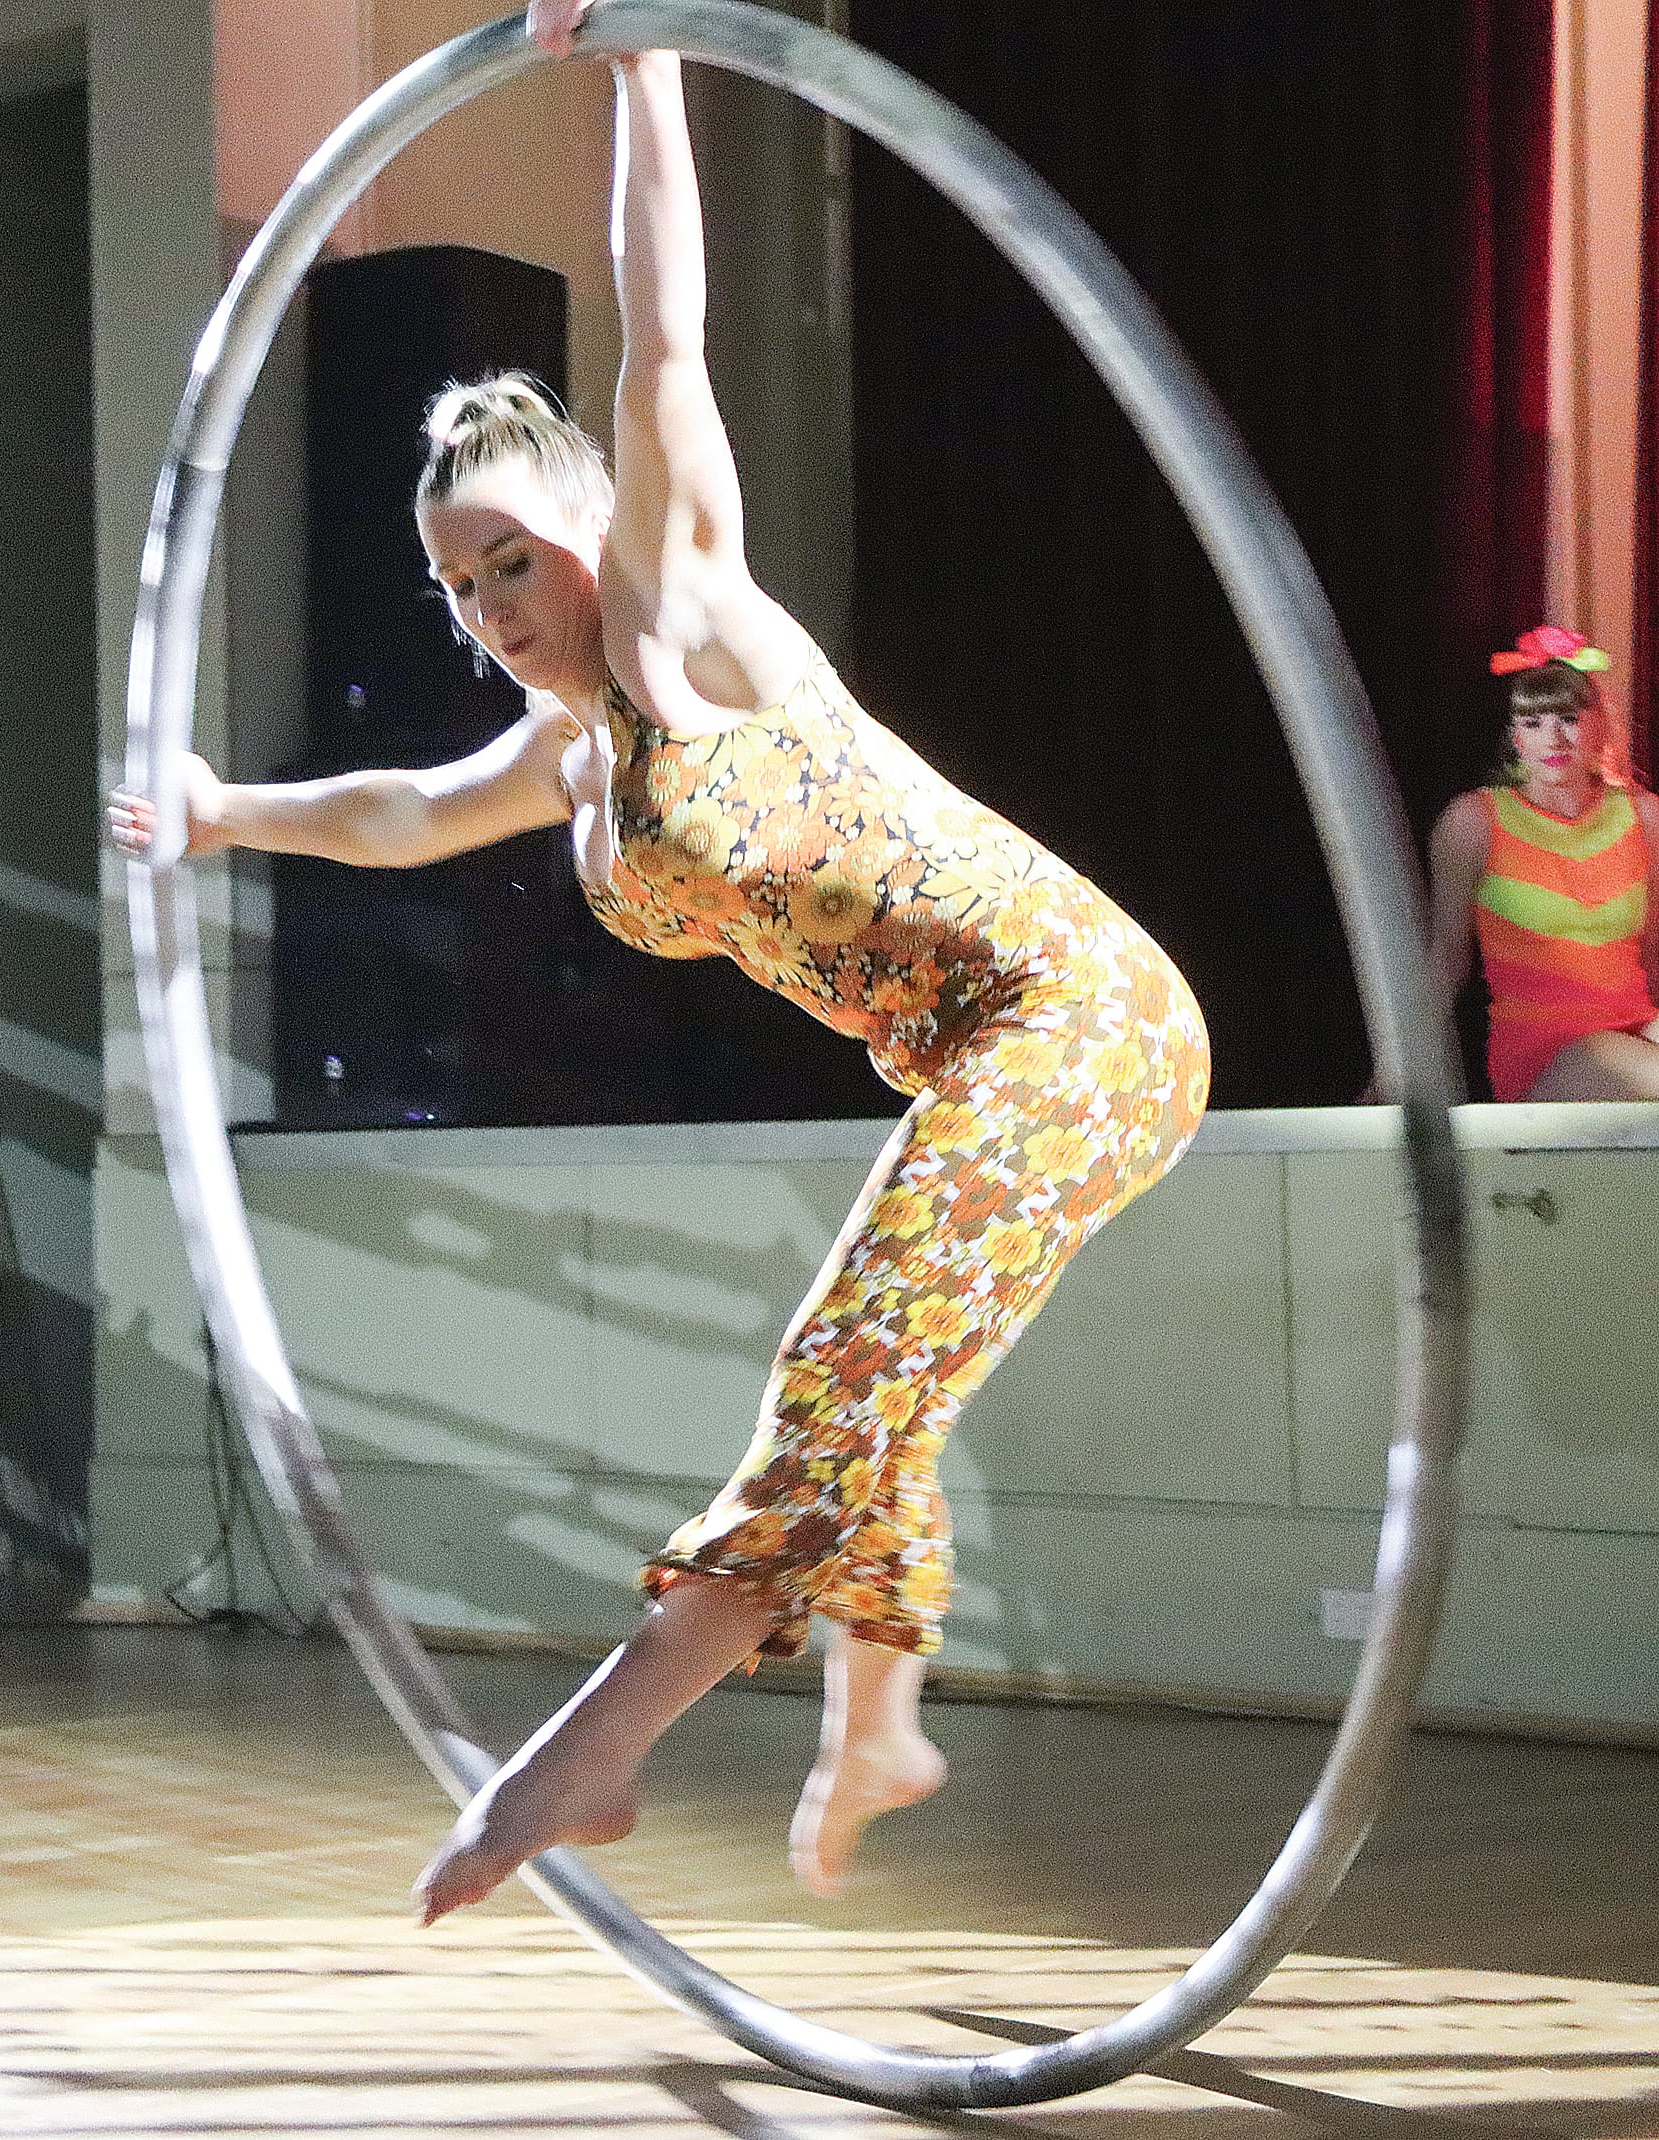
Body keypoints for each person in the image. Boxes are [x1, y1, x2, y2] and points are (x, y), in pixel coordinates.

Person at [110, 0, 1209, 1922]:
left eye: (511, 562)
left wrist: (638, 70)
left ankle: (602, 1740)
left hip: (1086, 1011)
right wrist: (215, 811)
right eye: (459, 591)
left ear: (591, 525)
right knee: (894, 1355)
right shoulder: (573, 761)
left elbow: (668, 331)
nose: (488, 613)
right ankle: (876, 1714)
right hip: (969, 1054)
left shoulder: (689, 617)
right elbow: (395, 815)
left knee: (845, 1346)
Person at [1425, 625, 1659, 1102]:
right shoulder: (1474, 821)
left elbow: (1653, 952)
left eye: (1568, 718)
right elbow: (1446, 961)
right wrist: (1391, 1078)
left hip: (1639, 1038)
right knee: (1602, 1054)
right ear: (1515, 737)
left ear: (1598, 725)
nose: (1554, 738)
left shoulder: (1645, 815)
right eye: (1533, 724)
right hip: (1548, 1056)